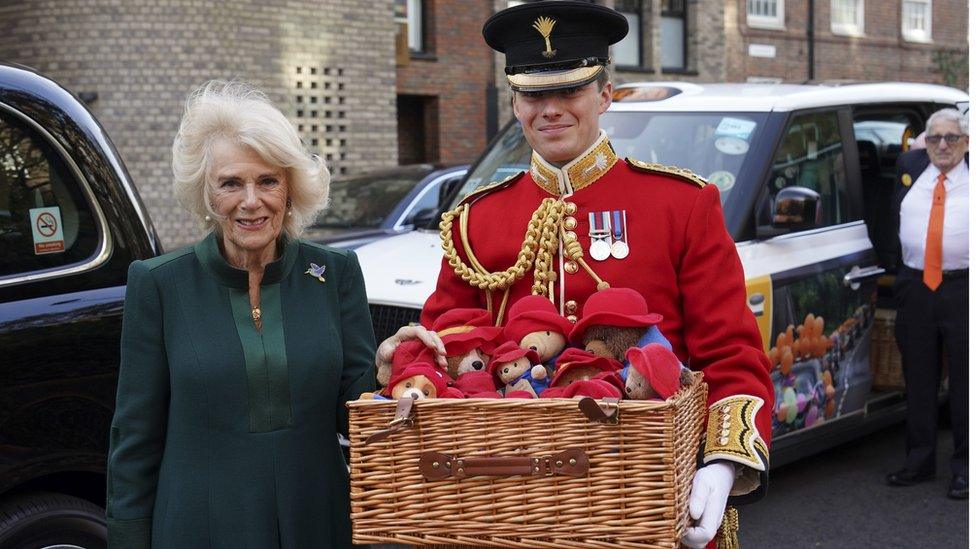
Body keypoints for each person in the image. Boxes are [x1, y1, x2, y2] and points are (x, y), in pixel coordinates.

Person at [376, 2, 773, 547]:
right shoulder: (475, 218)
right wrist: (406, 364)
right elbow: (446, 343)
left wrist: (723, 464)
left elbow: (732, 354)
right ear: (515, 103)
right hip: (507, 496)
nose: (551, 110)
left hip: (645, 485)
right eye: (535, 94)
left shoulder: (681, 203)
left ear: (606, 95)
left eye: (571, 91)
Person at [106, 81, 375, 547]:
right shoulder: (159, 284)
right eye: (231, 183)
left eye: (267, 181)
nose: (251, 200)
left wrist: (395, 370)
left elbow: (358, 409)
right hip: (198, 527)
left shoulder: (334, 273)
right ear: (207, 196)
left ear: (290, 190)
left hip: (316, 521)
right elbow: (135, 439)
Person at [881, 108, 968, 499]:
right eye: (935, 138)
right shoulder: (911, 165)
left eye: (952, 137)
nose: (943, 146)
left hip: (963, 289)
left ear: (967, 142)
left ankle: (965, 470)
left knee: (967, 384)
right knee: (918, 380)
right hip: (916, 288)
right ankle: (918, 462)